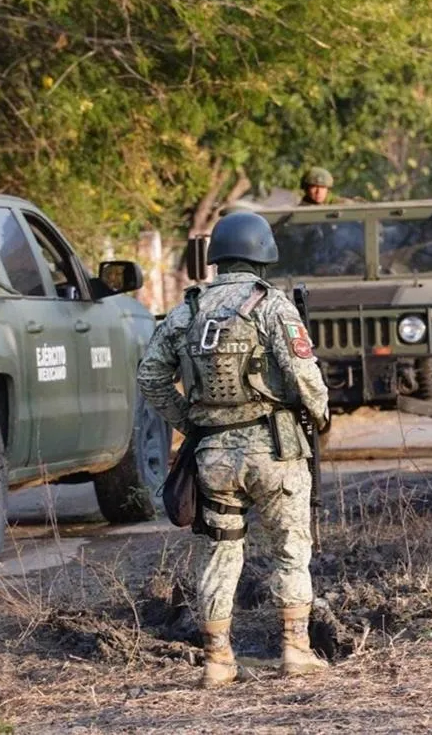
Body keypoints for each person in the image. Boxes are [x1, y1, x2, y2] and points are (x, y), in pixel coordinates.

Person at [137, 212, 330, 688]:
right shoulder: (272, 304)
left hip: (213, 457)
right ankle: (294, 650)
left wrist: (190, 421)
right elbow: (304, 375)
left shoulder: (188, 309)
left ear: (217, 256)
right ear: (263, 252)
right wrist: (320, 414)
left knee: (221, 553)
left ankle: (219, 659)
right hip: (275, 450)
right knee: (290, 549)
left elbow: (150, 377)